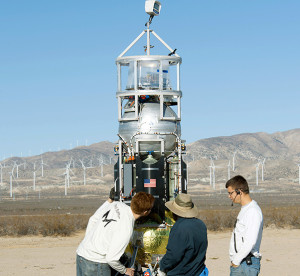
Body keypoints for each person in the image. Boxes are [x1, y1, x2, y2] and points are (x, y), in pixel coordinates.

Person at [76, 191, 155, 276]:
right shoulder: (126, 228)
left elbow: (92, 219)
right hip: (97, 264)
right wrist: (125, 270)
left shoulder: (117, 205)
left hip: (81, 253)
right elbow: (111, 259)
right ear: (145, 212)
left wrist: (89, 244)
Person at [159, 193, 208, 276]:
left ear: (174, 212)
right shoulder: (201, 224)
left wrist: (162, 265)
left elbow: (173, 256)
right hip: (198, 271)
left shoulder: (179, 228)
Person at [226, 175, 263, 276]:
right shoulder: (246, 209)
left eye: (230, 193)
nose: (229, 196)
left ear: (239, 191)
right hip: (242, 263)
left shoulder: (253, 211)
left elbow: (250, 241)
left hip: (246, 264)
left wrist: (236, 262)